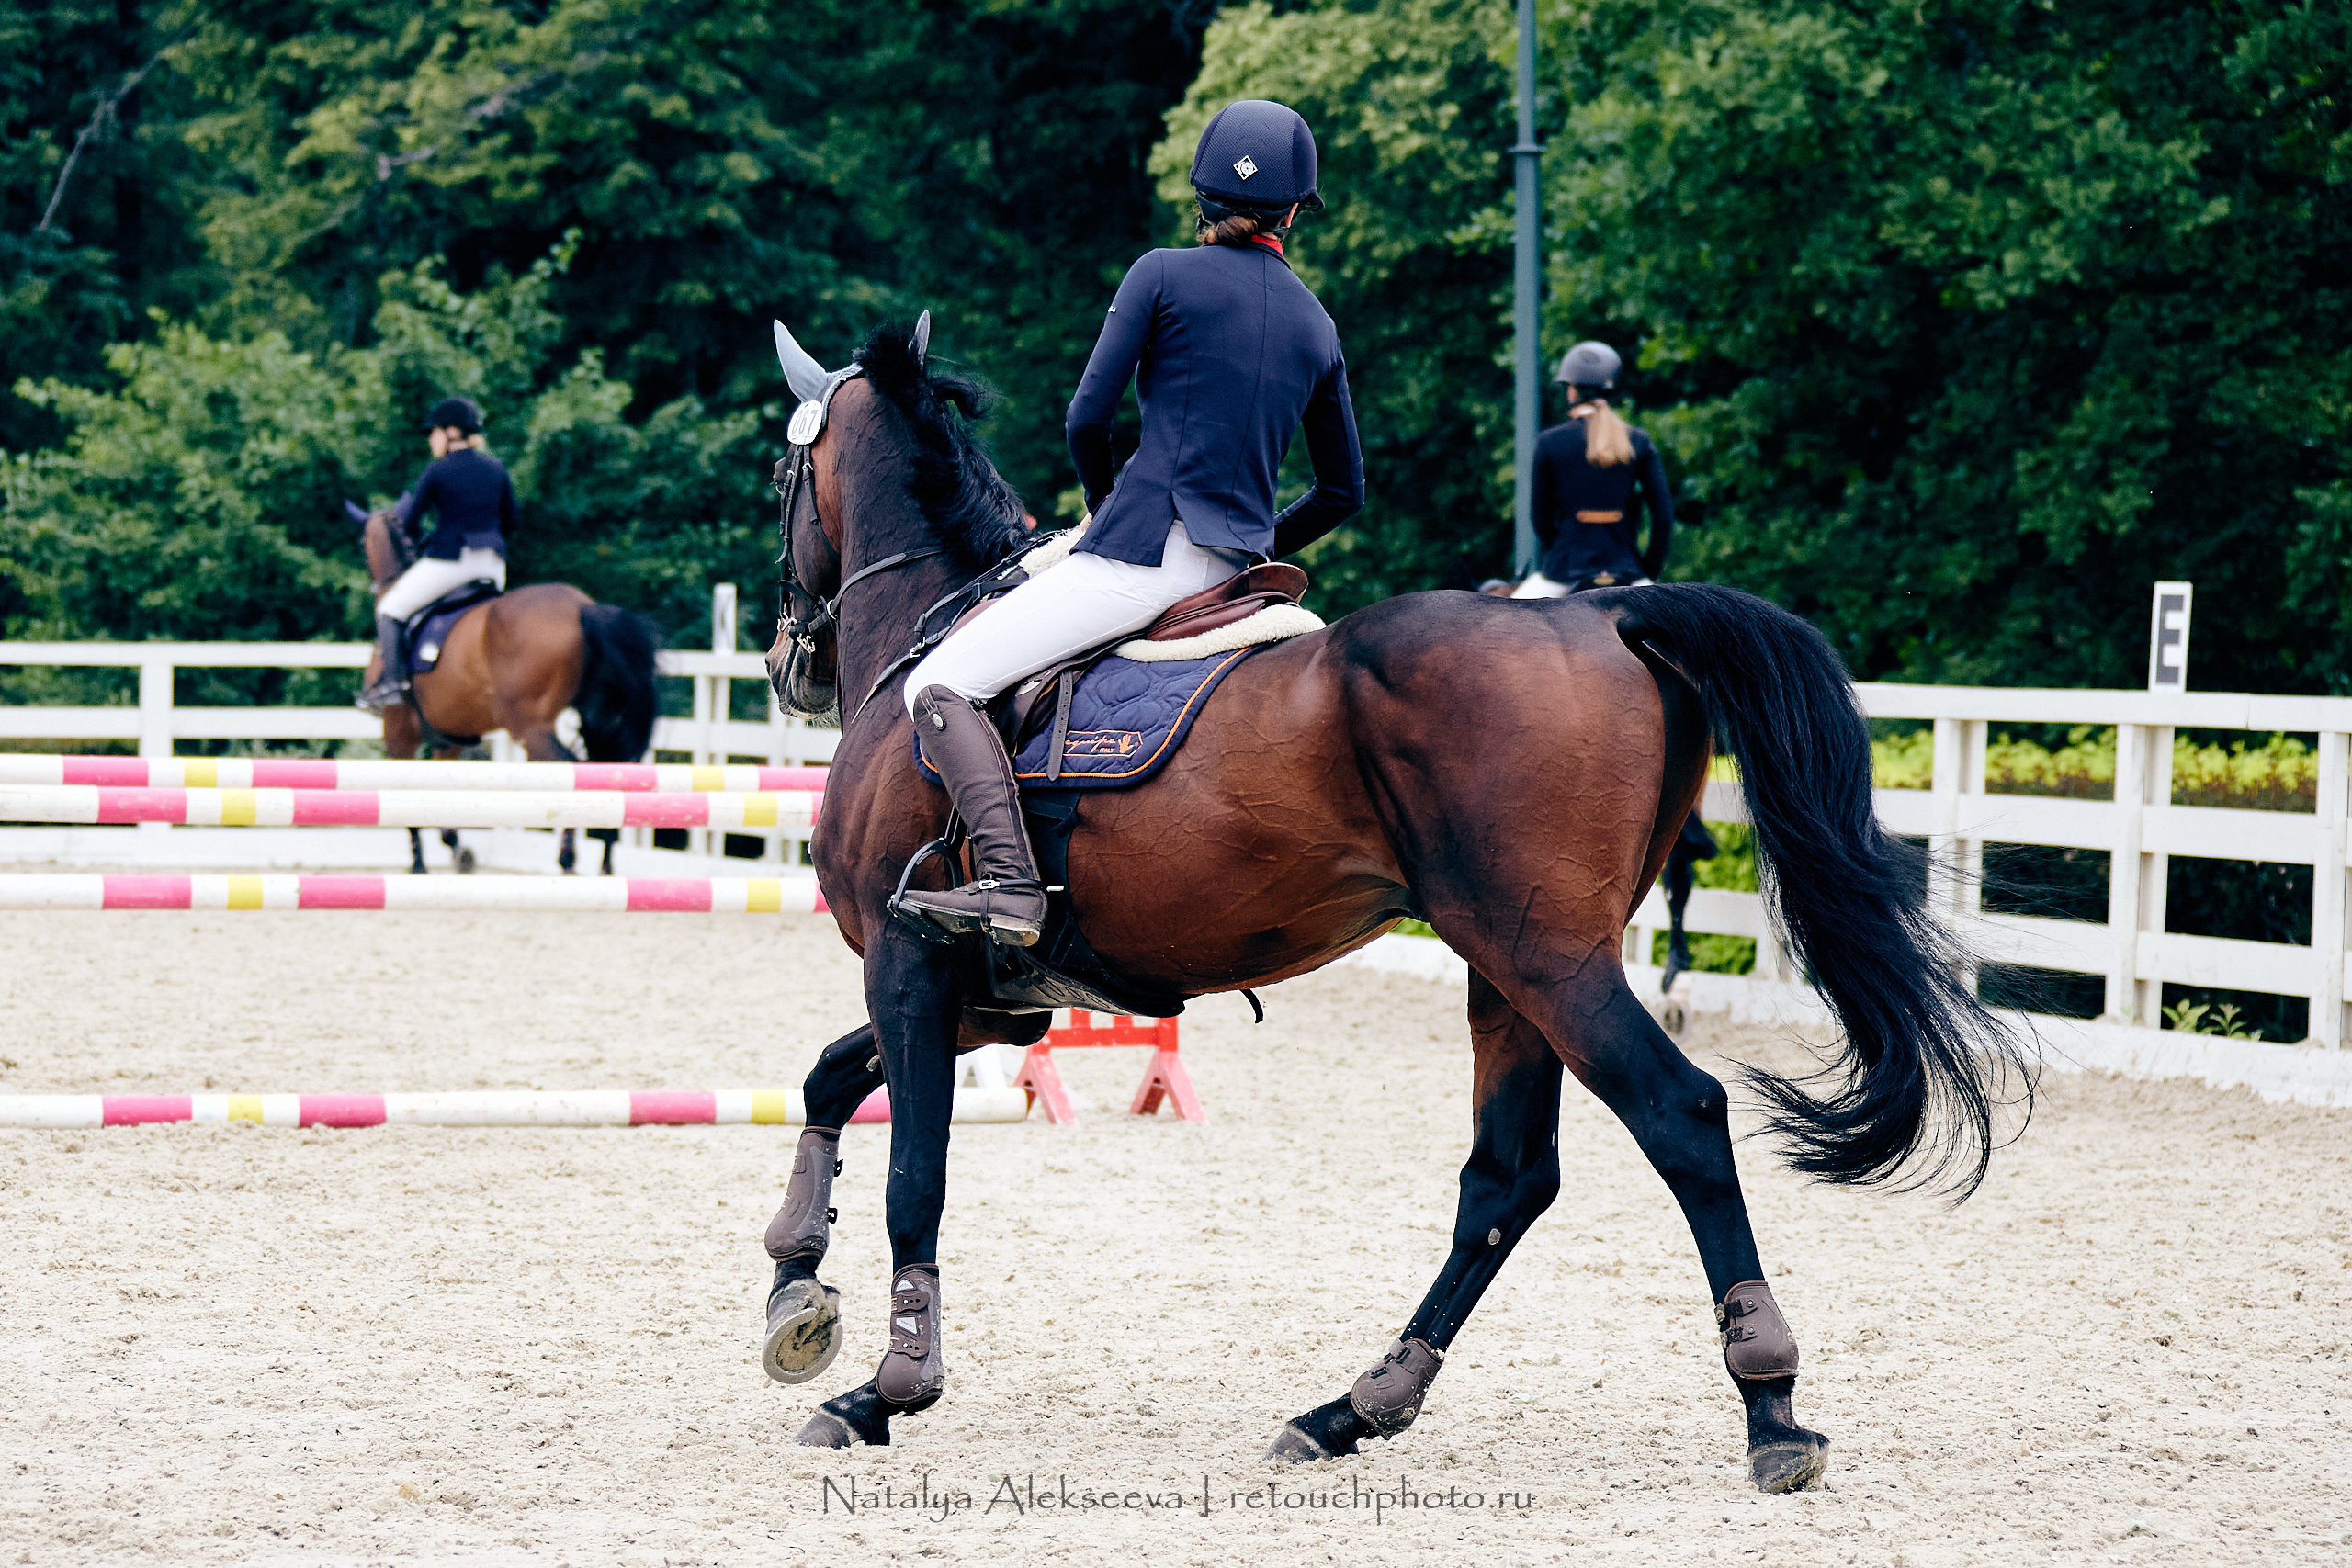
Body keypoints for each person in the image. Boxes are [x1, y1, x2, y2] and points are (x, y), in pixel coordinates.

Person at [894, 98, 1366, 947]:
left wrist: (1109, 510)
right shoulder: (1316, 323)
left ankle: (1009, 884)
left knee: (937, 683)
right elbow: (1342, 492)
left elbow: (1087, 419)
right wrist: (1254, 549)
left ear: (1201, 193)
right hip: (1234, 579)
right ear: (1296, 210)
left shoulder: (1160, 272)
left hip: (1139, 556)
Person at [355, 397, 518, 715]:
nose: (432, 439)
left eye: (434, 432)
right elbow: (512, 520)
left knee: (389, 609)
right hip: (494, 567)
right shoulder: (496, 468)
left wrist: (429, 542)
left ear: (452, 432)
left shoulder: (438, 471)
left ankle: (391, 684)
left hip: (451, 562)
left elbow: (410, 523)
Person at [1511, 342, 1673, 598]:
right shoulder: (1638, 441)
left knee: (1509, 624)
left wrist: (1562, 553)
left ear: (1572, 391)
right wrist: (1647, 570)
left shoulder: (1550, 442)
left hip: (1565, 567)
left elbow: (1540, 517)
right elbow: (1662, 516)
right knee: (1678, 632)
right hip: (1626, 567)